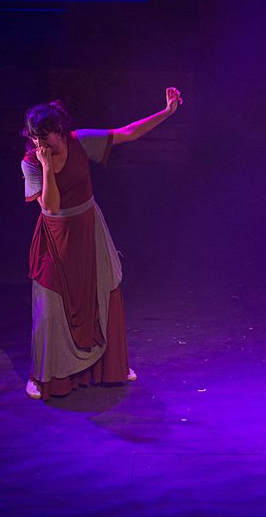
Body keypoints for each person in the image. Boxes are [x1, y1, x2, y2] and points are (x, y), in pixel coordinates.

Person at [20, 87, 183, 399]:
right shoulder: (31, 162)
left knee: (104, 291)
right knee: (51, 306)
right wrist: (46, 166)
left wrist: (167, 112)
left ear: (59, 129)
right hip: (55, 236)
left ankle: (112, 366)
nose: (40, 144)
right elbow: (51, 207)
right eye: (34, 138)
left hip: (88, 227)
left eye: (45, 137)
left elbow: (128, 133)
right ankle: (42, 377)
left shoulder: (79, 140)